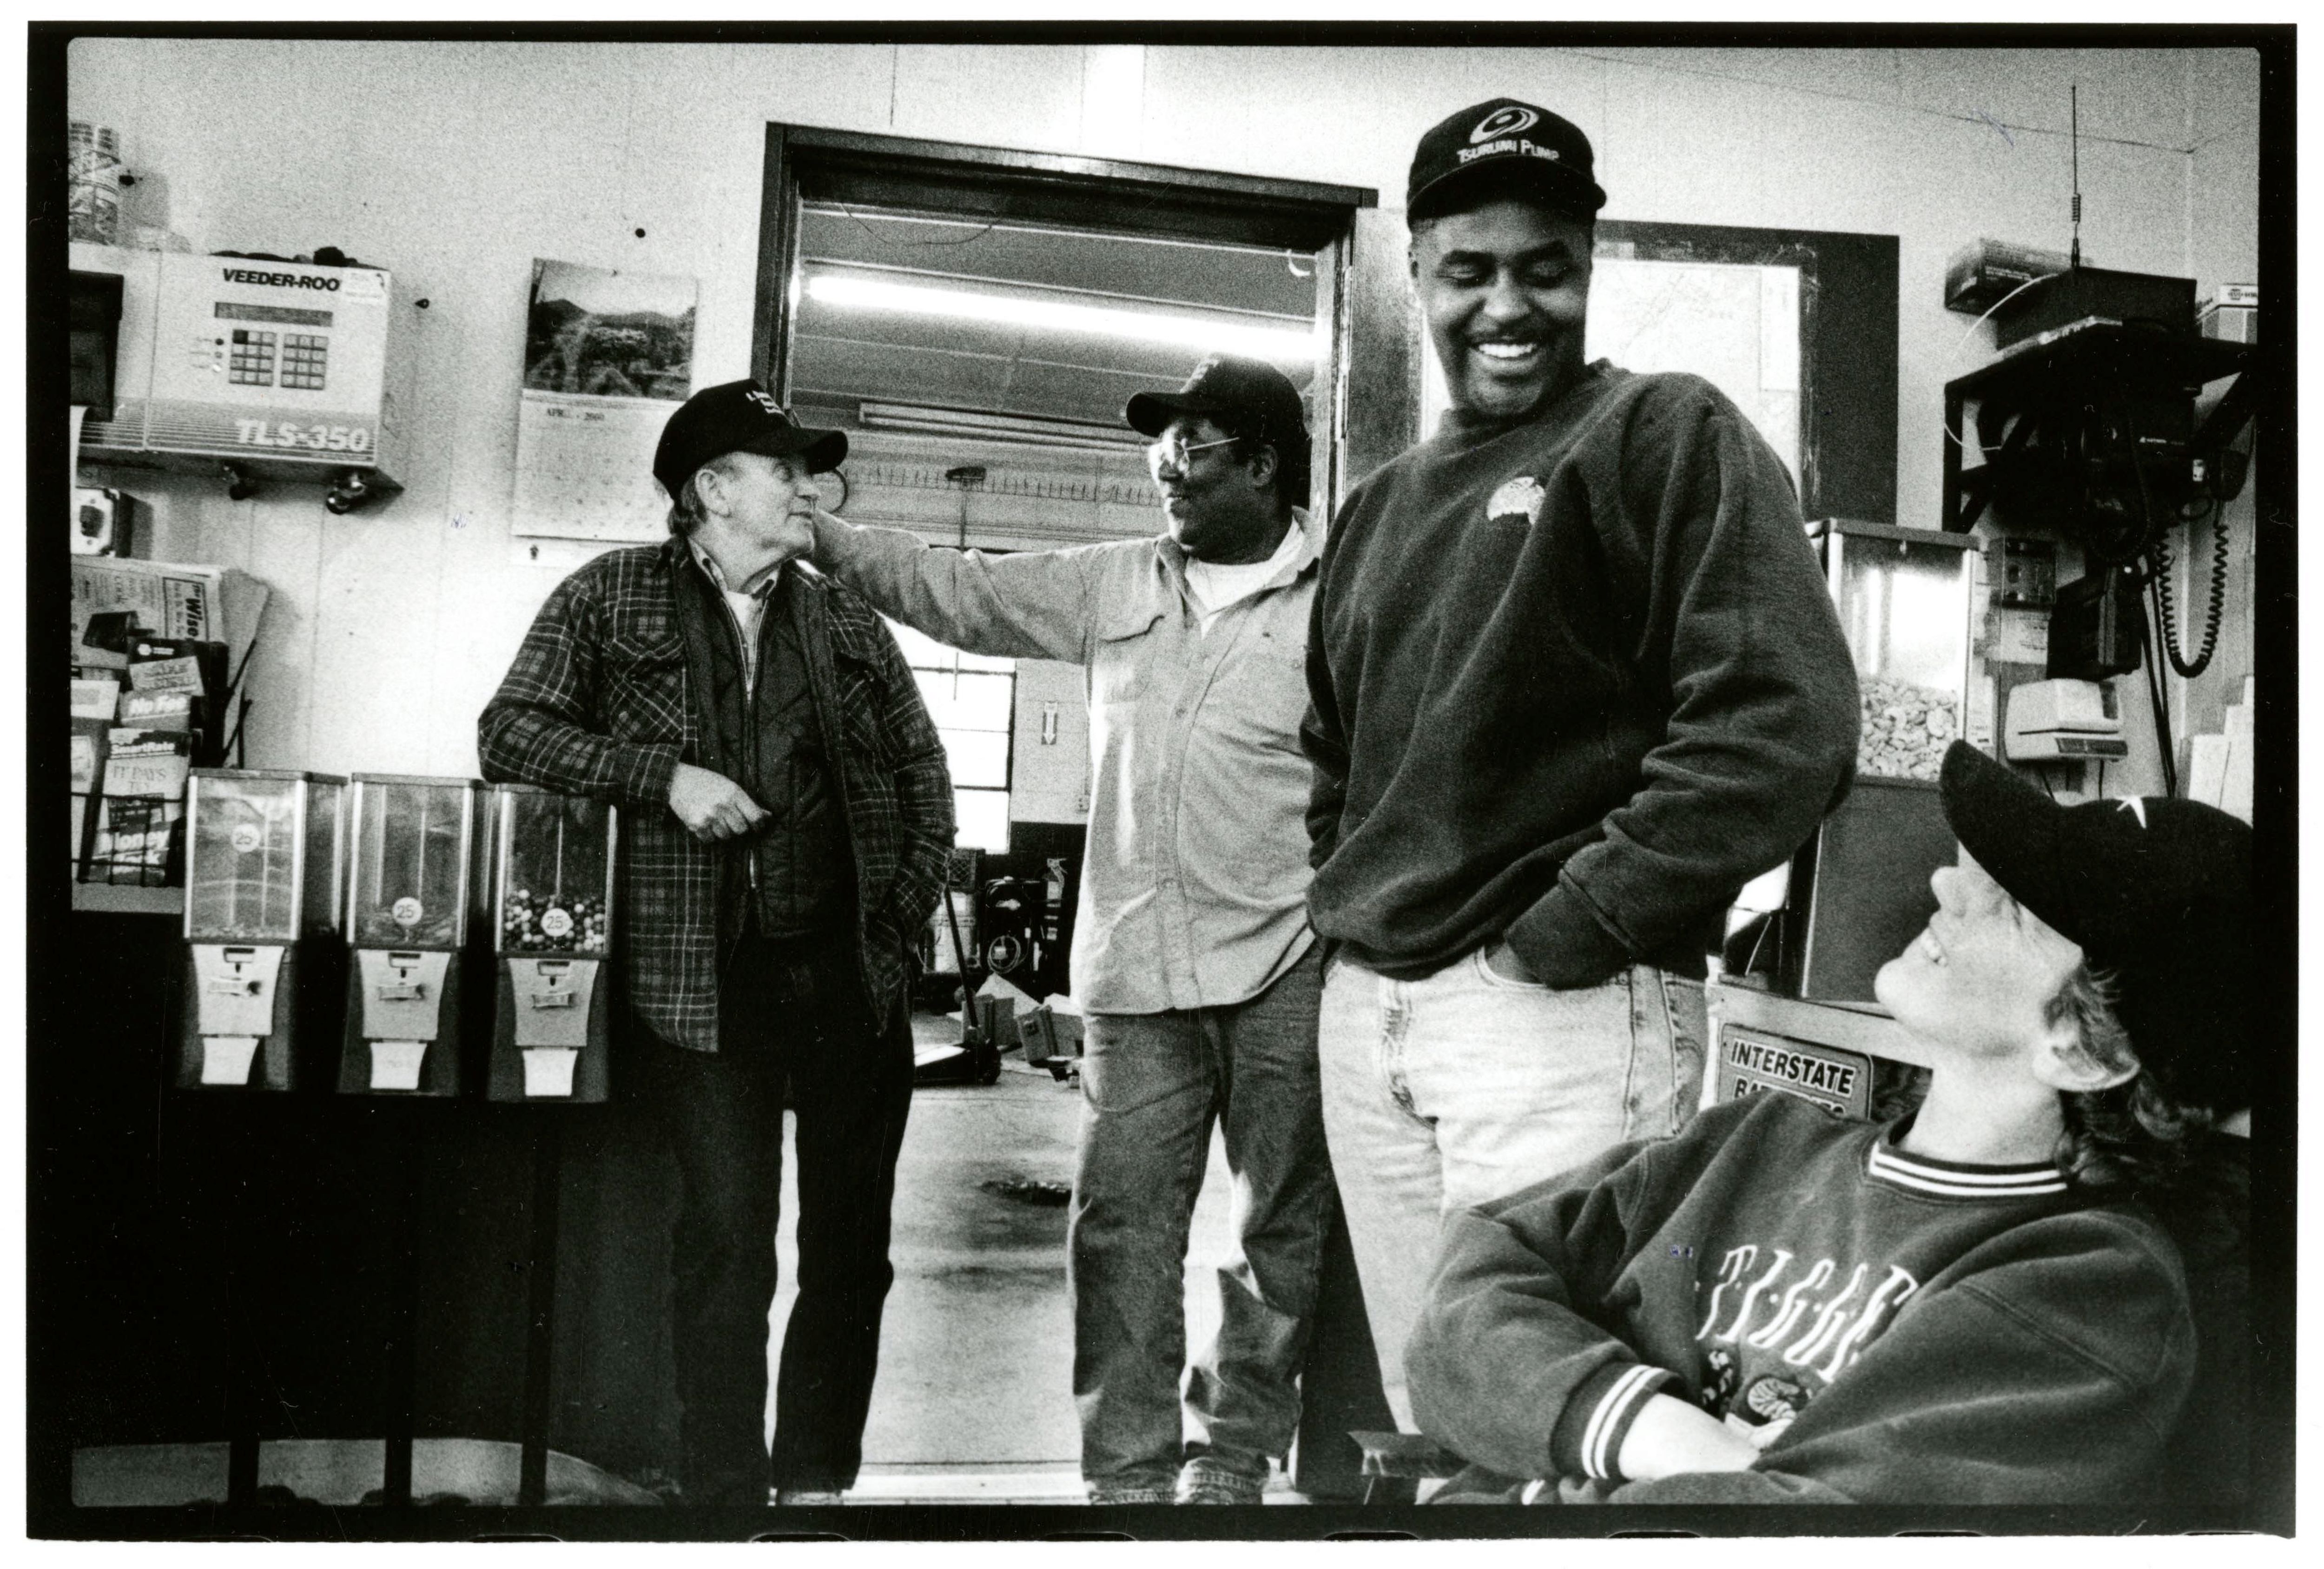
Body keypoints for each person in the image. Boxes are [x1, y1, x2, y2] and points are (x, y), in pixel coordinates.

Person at [1301, 96, 1860, 1427]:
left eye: (1544, 268)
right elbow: (1333, 754)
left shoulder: (1662, 433)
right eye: (1469, 271)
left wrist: (1571, 929)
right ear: (1417, 274)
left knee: (1564, 1426)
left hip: (1556, 1011)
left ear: (1589, 268)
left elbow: (1782, 721)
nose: (1508, 305)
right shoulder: (1378, 506)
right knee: (1435, 1409)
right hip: (1371, 1013)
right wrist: (1349, 922)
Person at [1406, 741, 2252, 1504]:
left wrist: (1558, 1470)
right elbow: (1463, 1292)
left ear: (2088, 1053)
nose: (1949, 885)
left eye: (2020, 910)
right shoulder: (1749, 1140)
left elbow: (1820, 1534)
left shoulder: (2092, 1284)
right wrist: (1650, 1432)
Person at [809, 355, 1330, 1505]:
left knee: (1281, 1227)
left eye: (1192, 449)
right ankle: (1127, 1472)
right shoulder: (1113, 581)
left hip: (1292, 961)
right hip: (1136, 966)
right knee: (1121, 1228)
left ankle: (1232, 1452)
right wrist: (821, 534)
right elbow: (958, 589)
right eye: (1159, 450)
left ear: (1263, 465)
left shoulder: (1346, 594)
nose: (1166, 471)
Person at [477, 379, 954, 1507]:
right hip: (700, 982)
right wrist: (664, 778)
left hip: (847, 977)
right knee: (729, 1242)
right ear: (712, 488)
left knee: (851, 1247)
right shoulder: (608, 596)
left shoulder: (845, 617)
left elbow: (924, 775)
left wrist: (893, 919)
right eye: (784, 468)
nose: (809, 488)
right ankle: (723, 1486)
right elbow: (510, 733)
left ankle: (816, 1485)